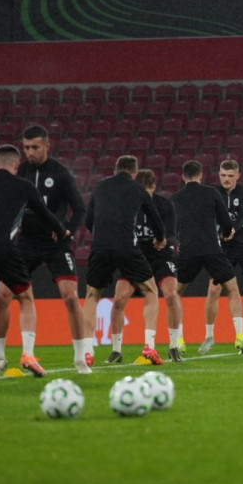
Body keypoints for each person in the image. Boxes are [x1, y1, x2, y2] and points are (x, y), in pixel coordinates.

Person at [0, 144, 67, 379]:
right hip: (3, 248)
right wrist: (61, 232)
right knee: (26, 298)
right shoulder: (24, 186)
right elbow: (44, 214)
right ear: (17, 165)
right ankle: (28, 354)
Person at [0, 125, 88, 375]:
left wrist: (67, 229)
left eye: (35, 147)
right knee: (2, 296)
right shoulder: (19, 173)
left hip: (56, 243)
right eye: (26, 147)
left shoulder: (60, 173)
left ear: (47, 146)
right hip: (26, 242)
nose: (29, 152)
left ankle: (80, 358)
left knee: (70, 297)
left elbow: (79, 208)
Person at [82, 155, 166, 365]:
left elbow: (89, 220)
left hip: (100, 247)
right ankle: (149, 346)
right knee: (151, 290)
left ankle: (86, 351)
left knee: (92, 296)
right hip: (127, 247)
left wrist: (101, 236)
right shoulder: (138, 188)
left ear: (115, 169)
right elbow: (154, 216)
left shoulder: (101, 187)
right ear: (135, 173)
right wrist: (160, 238)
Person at [171, 160, 243, 354]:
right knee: (232, 290)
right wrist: (226, 232)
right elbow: (225, 220)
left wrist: (177, 240)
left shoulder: (175, 198)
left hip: (188, 251)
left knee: (175, 294)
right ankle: (240, 337)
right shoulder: (211, 193)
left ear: (183, 177)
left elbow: (170, 225)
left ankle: (178, 341)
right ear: (201, 176)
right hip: (211, 250)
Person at [201, 160, 243, 354]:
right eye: (223, 175)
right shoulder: (212, 193)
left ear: (238, 176)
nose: (226, 179)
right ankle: (209, 336)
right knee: (213, 291)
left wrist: (231, 229)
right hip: (223, 248)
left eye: (230, 176)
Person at [130, 169, 184, 363]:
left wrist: (163, 240)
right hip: (138, 256)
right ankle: (116, 349)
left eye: (146, 189)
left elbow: (171, 234)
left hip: (161, 256)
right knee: (119, 298)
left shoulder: (164, 205)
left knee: (170, 294)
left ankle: (174, 344)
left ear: (153, 187)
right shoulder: (131, 205)